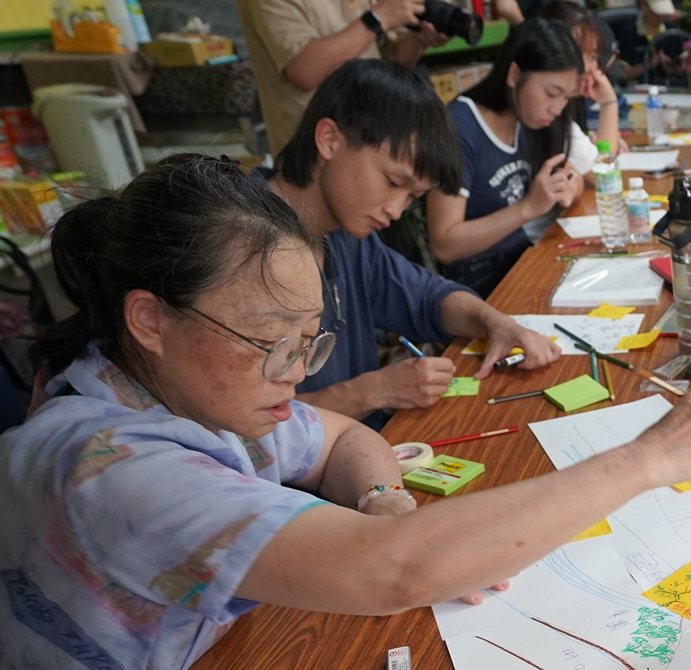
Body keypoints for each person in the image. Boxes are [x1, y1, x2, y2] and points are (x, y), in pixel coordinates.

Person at [0, 154, 691, 670]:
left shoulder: (189, 386)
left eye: (308, 343)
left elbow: (339, 436)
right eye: (271, 342)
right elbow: (392, 571)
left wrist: (385, 499)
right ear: (150, 319)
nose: (294, 374)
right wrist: (651, 458)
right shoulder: (109, 464)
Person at [264, 60, 558, 426]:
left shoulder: (348, 233)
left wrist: (494, 322)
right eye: (392, 182)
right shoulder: (242, 248)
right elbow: (246, 429)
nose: (396, 210)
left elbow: (426, 297)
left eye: (413, 196)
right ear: (329, 140)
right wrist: (372, 392)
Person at [427, 20, 592, 296]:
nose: (557, 108)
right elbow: (444, 245)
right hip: (483, 283)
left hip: (529, 260)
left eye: (566, 97)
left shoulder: (534, 119)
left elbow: (573, 178)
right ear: (514, 74)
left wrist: (570, 186)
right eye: (551, 93)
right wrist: (528, 208)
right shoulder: (461, 126)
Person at [238, 0, 447, 150]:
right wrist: (377, 18)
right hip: (313, 151)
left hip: (373, 137)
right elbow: (305, 70)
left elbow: (390, 62)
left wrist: (419, 39)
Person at [540, 0, 626, 153]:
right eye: (591, 57)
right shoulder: (546, 112)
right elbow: (603, 162)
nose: (594, 69)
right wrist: (609, 103)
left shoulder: (571, 101)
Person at [612, 0, 689, 83]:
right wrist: (650, 63)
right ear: (643, 5)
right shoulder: (629, 32)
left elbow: (684, 67)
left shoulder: (671, 30)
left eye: (663, 13)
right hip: (637, 90)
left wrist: (674, 68)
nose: (660, 17)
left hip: (671, 88)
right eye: (656, 12)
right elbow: (622, 74)